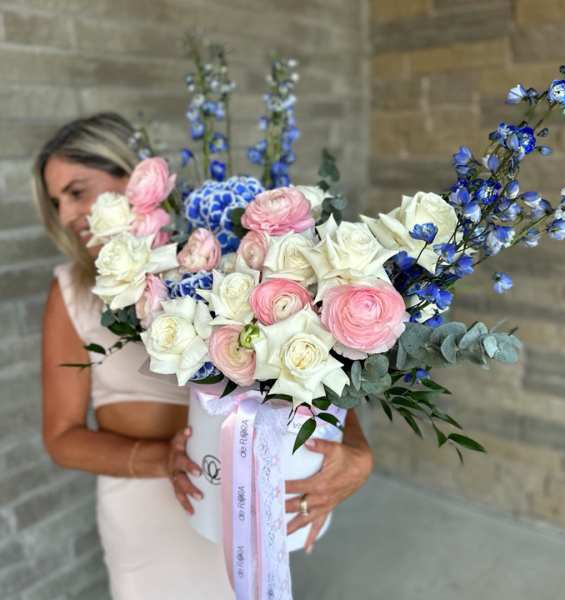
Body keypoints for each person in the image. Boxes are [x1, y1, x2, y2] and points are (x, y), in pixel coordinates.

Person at [36, 112, 373, 599]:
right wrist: (164, 460)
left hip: (245, 503)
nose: (67, 214)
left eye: (77, 191)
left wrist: (356, 453)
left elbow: (319, 372)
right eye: (57, 202)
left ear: (133, 177)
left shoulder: (220, 259)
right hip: (145, 513)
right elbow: (62, 438)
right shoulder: (72, 290)